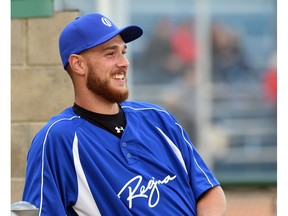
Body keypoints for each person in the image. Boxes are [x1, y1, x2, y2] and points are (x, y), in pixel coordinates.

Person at [22, 13, 226, 215]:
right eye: (111, 54)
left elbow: (209, 190)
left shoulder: (158, 119)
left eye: (123, 52)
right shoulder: (58, 139)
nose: (124, 62)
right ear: (78, 64)